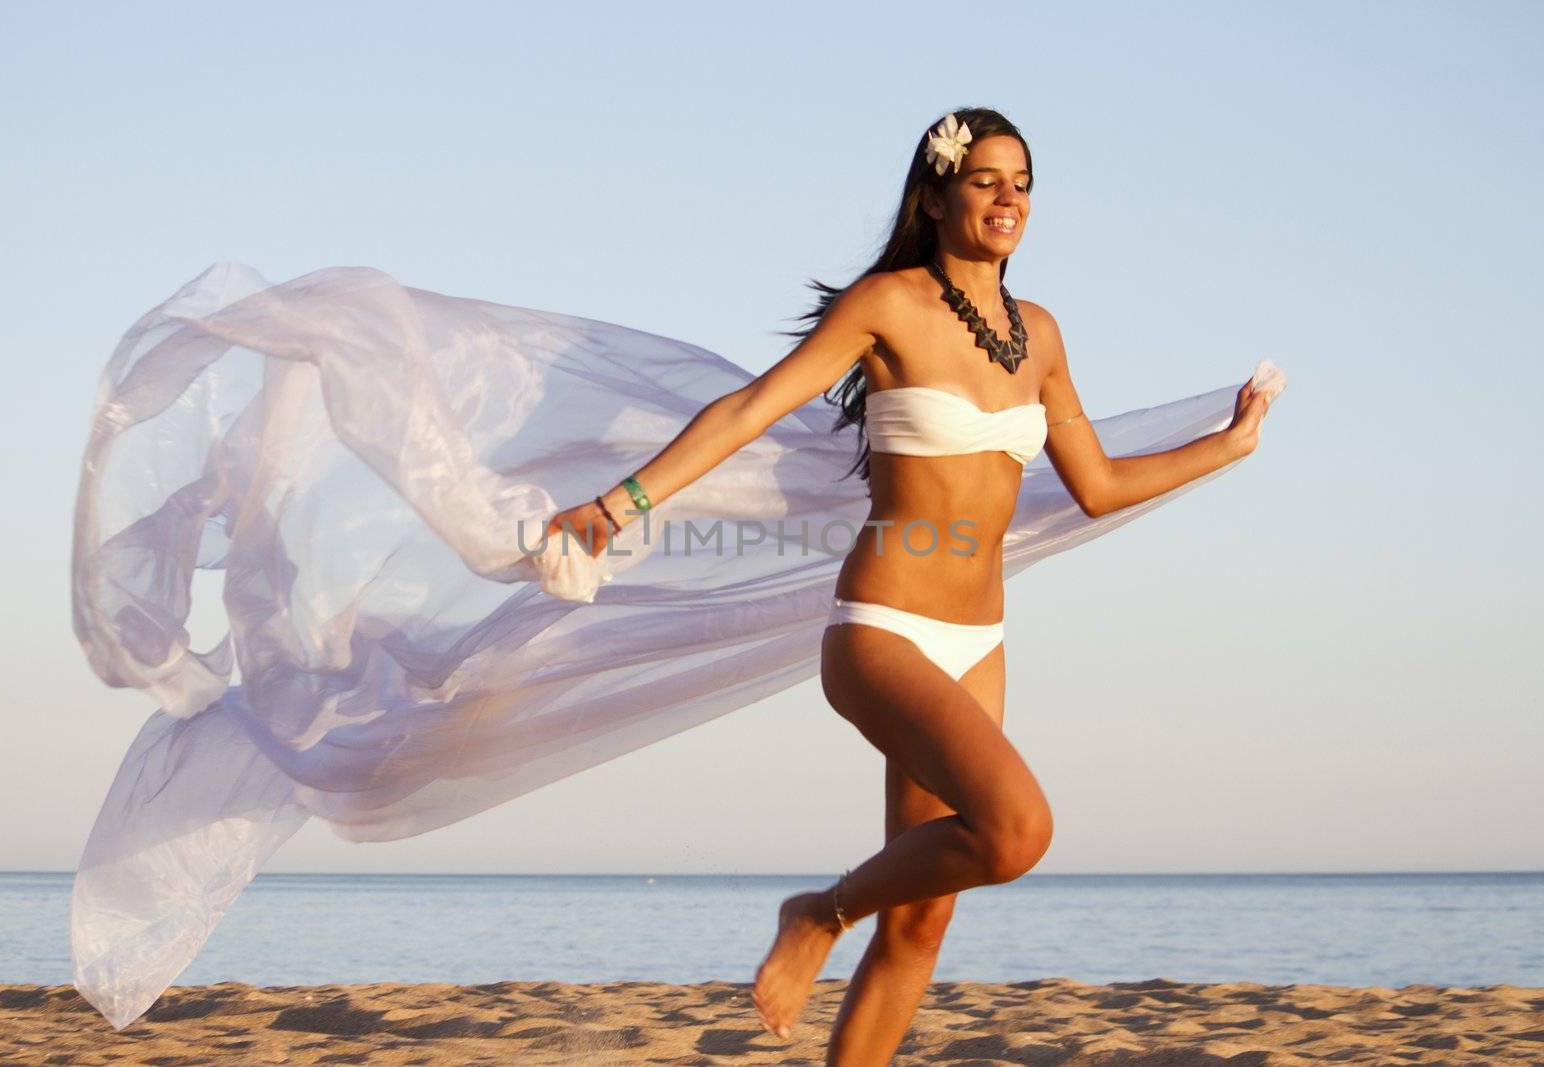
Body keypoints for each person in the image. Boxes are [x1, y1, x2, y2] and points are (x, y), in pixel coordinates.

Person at [544, 107, 1279, 1061]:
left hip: (980, 643)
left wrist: (1228, 446)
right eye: (985, 179)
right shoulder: (887, 304)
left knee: (924, 923)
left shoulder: (1039, 334)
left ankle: (844, 938)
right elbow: (753, 407)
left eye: (1022, 183)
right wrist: (620, 501)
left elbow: (1096, 485)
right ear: (934, 196)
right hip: (882, 630)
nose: (1008, 196)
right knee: (1017, 830)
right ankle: (818, 910)